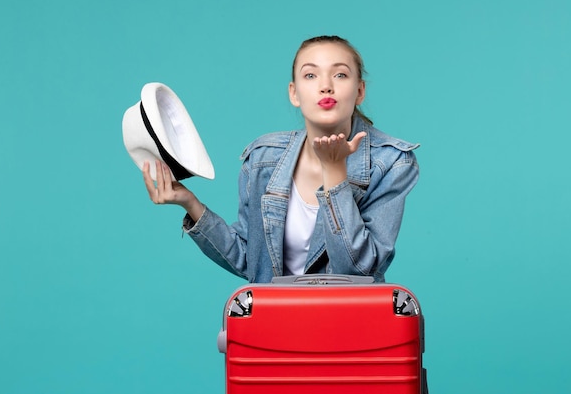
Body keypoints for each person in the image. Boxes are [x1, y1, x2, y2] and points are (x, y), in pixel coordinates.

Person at [143, 35, 420, 283]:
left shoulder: (392, 163)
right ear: (294, 93)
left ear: (360, 91)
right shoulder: (263, 159)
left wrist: (334, 173)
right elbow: (251, 262)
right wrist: (191, 204)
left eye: (340, 75)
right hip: (277, 329)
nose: (325, 86)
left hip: (349, 332)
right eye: (310, 76)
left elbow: (359, 273)